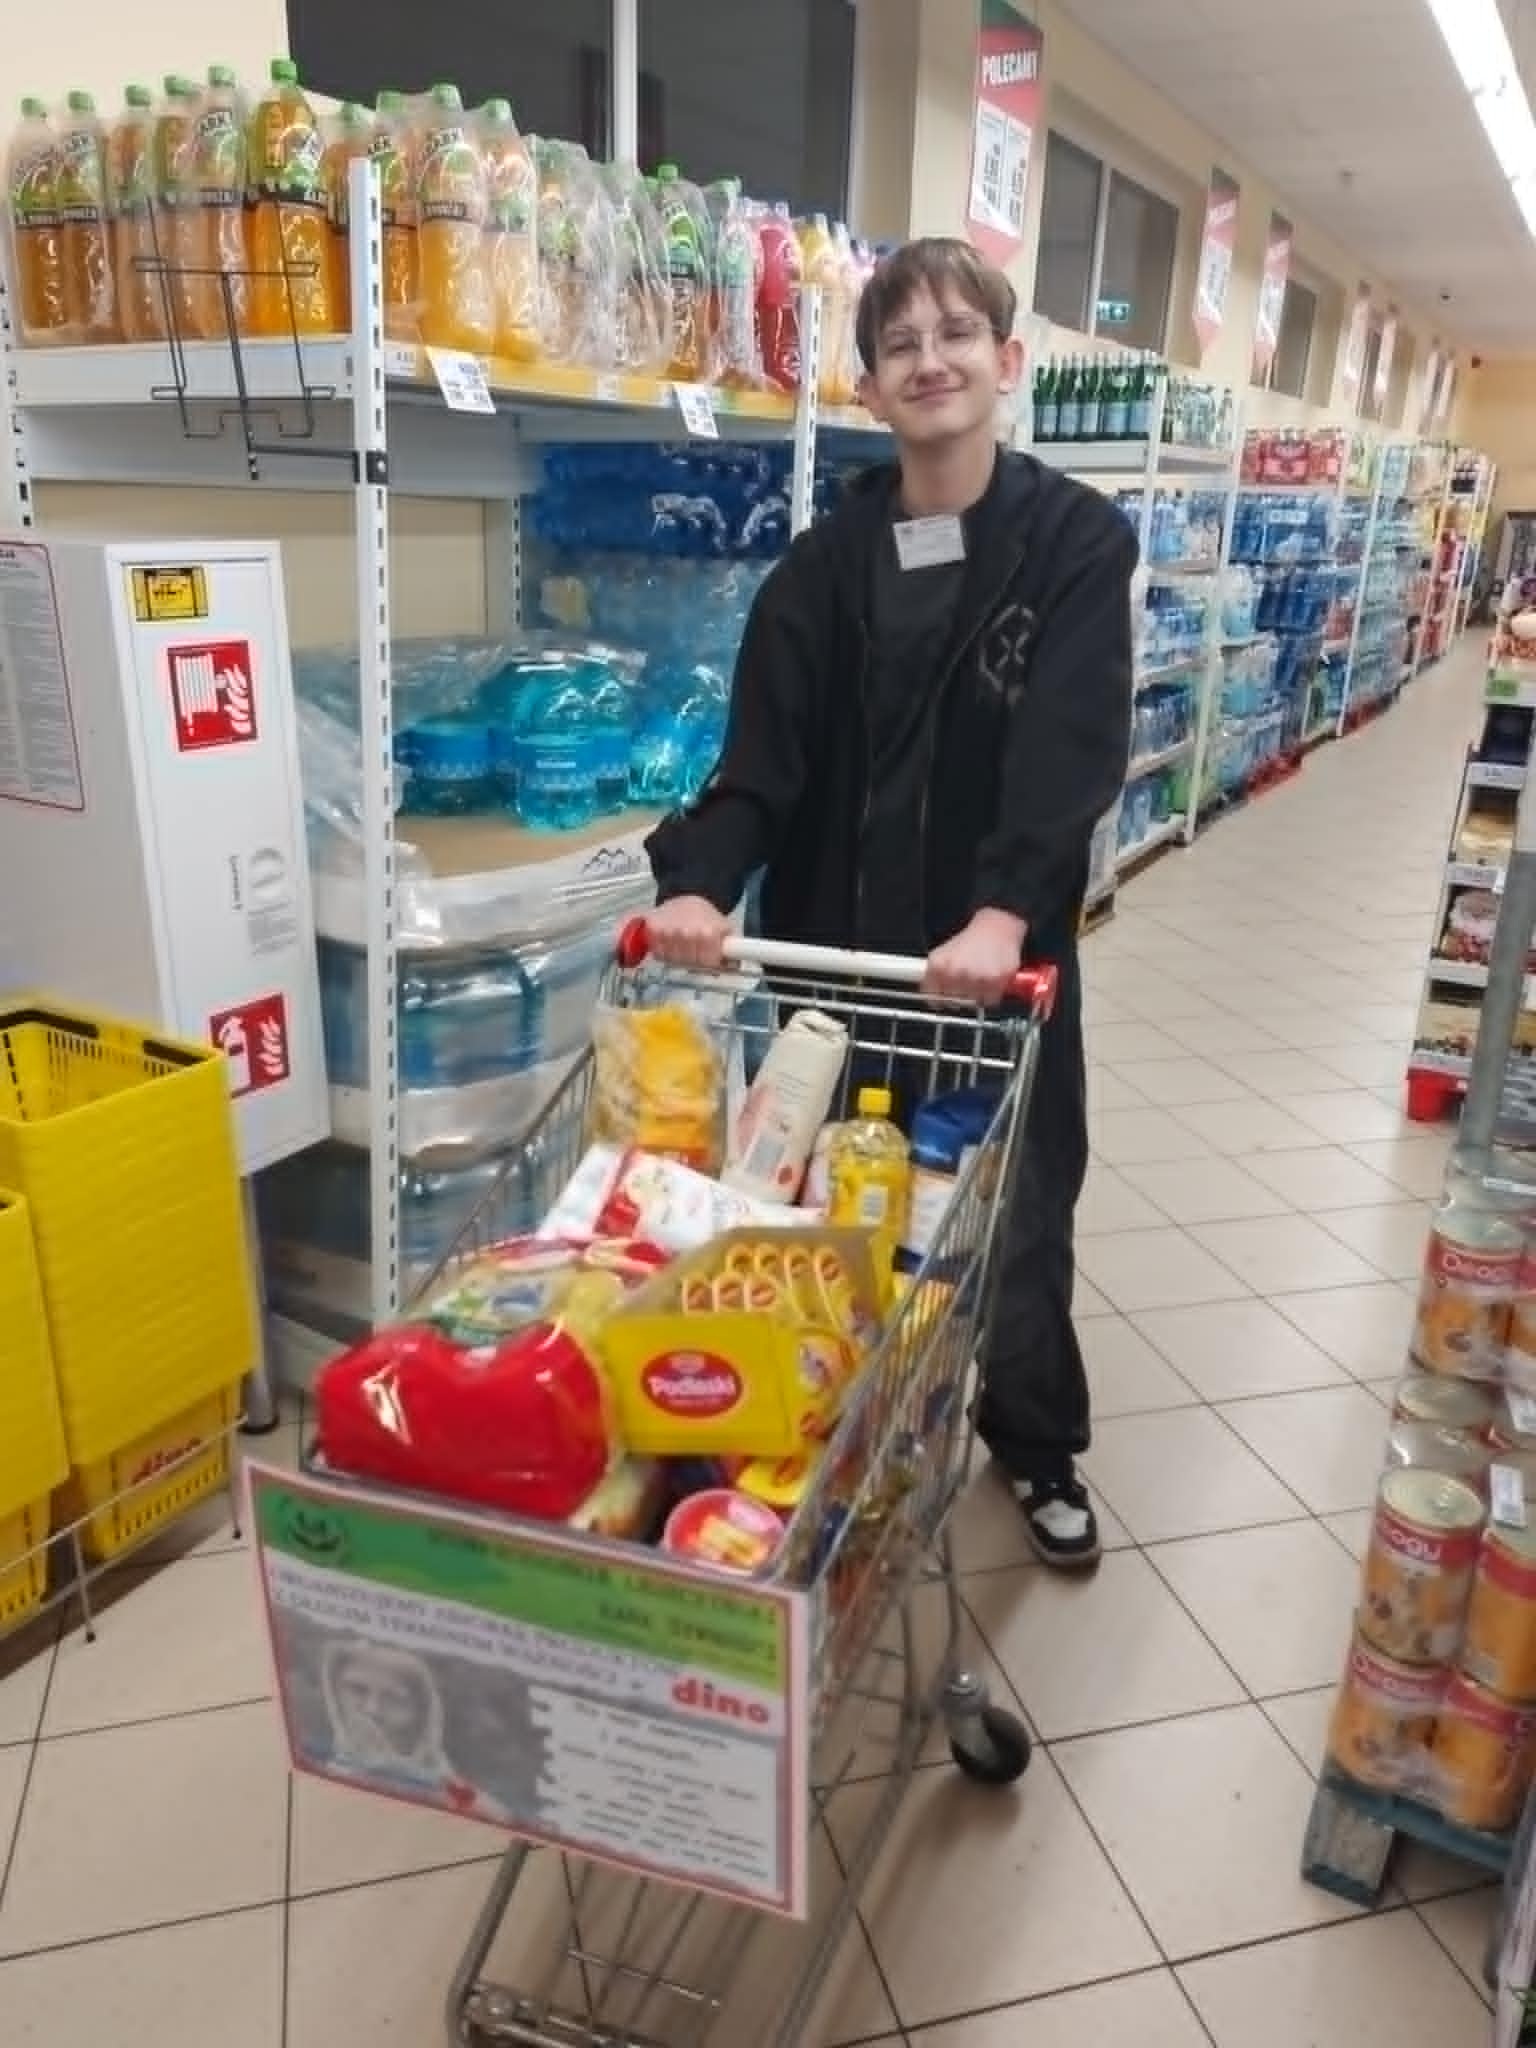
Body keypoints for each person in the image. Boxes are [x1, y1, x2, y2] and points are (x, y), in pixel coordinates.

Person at [644, 237, 1135, 1568]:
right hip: (838, 968)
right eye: (901, 343)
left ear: (1007, 361)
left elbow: (1070, 751)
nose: (932, 360)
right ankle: (828, 1439)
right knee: (829, 1214)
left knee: (1014, 1209)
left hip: (990, 970)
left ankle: (1032, 1440)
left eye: (957, 333)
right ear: (867, 387)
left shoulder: (1074, 545)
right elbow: (761, 765)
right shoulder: (819, 571)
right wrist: (700, 883)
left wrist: (1007, 911)